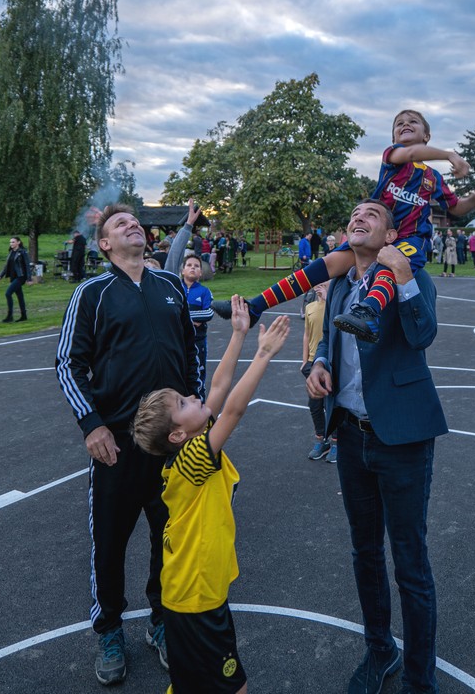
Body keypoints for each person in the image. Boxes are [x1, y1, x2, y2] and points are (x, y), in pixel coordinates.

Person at [55, 204, 200, 686]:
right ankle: (110, 629)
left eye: (135, 222)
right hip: (115, 445)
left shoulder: (171, 286)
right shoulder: (92, 293)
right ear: (105, 244)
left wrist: (195, 411)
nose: (132, 225)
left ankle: (161, 621)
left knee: (170, 540)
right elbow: (67, 363)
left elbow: (192, 353)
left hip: (172, 444)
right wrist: (92, 425)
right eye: (120, 224)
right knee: (110, 543)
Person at [306, 198, 447, 694]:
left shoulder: (410, 274)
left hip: (402, 437)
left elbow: (423, 334)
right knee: (364, 552)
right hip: (350, 435)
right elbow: (328, 338)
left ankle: (419, 679)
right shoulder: (342, 282)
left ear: (389, 236)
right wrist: (321, 361)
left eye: (372, 214)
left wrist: (405, 277)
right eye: (354, 214)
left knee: (410, 561)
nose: (358, 217)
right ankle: (380, 650)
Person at [212, 109, 475, 338]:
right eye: (399, 124)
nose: (405, 124)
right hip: (373, 232)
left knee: (389, 262)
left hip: (409, 239)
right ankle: (256, 306)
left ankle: (367, 312)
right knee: (324, 266)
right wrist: (449, 154)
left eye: (413, 122)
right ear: (394, 136)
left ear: (427, 134)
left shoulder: (433, 178)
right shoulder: (393, 157)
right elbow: (410, 154)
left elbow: (455, 207)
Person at [131, 298, 290, 694]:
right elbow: (234, 410)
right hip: (196, 598)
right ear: (177, 435)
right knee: (234, 688)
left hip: (188, 593)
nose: (193, 398)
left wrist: (238, 333)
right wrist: (264, 354)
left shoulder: (192, 443)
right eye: (184, 403)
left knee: (191, 685)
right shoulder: (192, 460)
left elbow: (218, 387)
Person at [301, 282, 337, 463]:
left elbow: (332, 328)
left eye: (325, 281)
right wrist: (304, 360)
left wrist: (328, 297)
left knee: (332, 404)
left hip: (331, 363)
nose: (320, 285)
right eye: (318, 282)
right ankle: (321, 440)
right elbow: (306, 334)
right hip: (312, 362)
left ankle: (336, 442)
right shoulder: (309, 307)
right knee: (314, 405)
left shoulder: (334, 305)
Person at [180, 255, 214, 395]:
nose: (192, 267)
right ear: (182, 270)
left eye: (196, 266)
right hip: (177, 340)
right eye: (189, 265)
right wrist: (193, 318)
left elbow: (207, 314)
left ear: (200, 272)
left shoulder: (204, 291)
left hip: (197, 341)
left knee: (198, 375)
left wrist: (181, 317)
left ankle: (200, 403)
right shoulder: (175, 288)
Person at [0, 235, 32, 322]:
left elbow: (27, 266)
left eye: (13, 242)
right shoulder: (11, 252)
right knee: (20, 296)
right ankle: (24, 316)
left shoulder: (23, 252)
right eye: (10, 242)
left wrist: (29, 279)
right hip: (13, 277)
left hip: (21, 277)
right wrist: (0, 276)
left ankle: (10, 316)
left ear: (18, 242)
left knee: (8, 293)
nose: (11, 244)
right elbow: (6, 266)